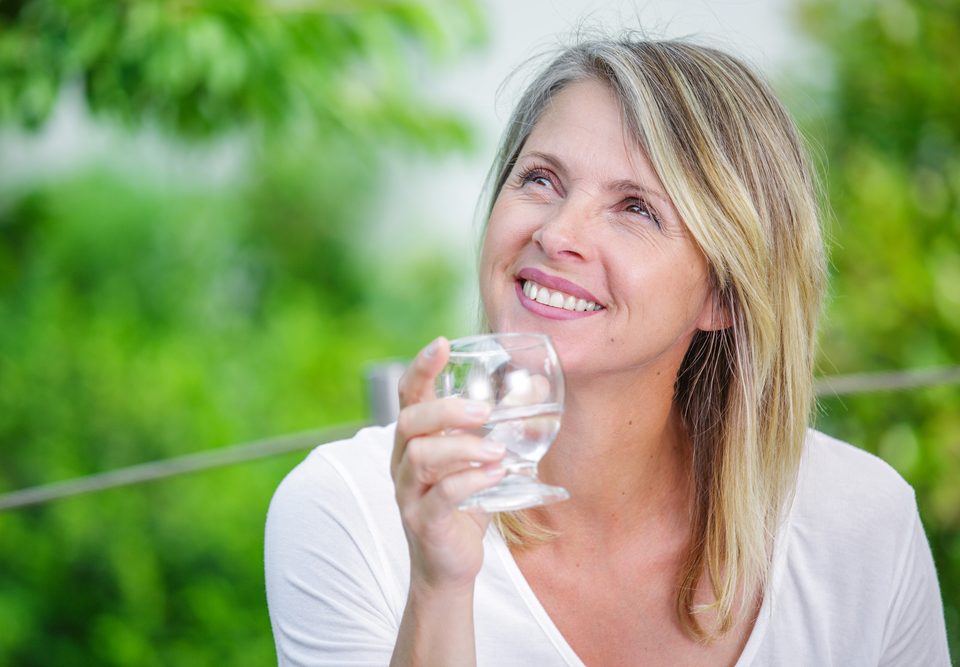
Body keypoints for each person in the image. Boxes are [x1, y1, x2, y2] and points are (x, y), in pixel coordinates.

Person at [264, 35, 951, 666]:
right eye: (540, 179)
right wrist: (441, 587)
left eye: (636, 209)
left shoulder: (862, 523)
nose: (558, 232)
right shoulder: (349, 510)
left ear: (725, 297)